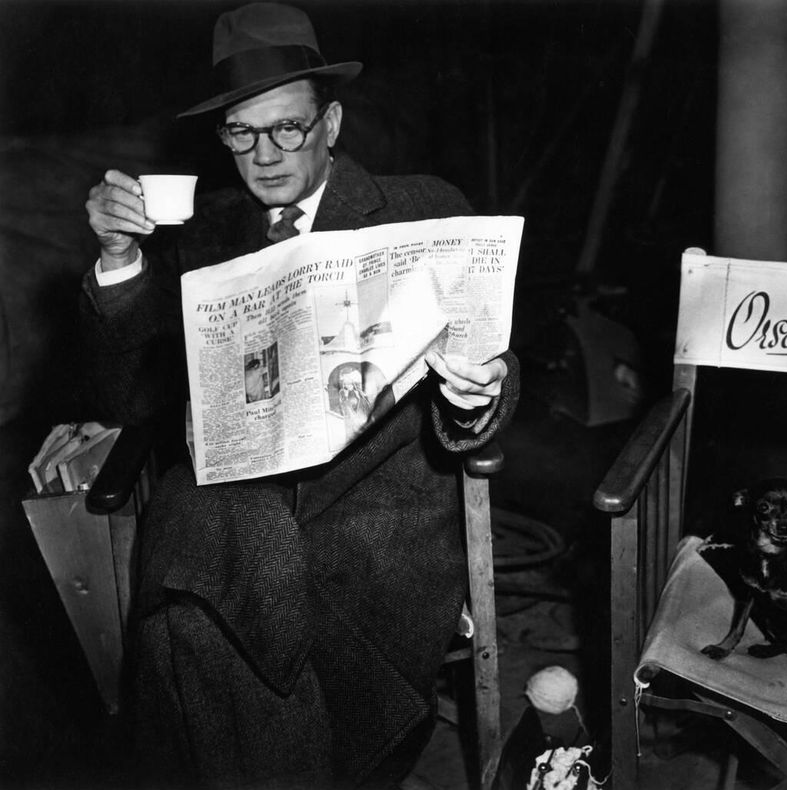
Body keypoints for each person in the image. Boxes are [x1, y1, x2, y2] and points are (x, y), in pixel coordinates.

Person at [78, 3, 519, 788]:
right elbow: (128, 400)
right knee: (206, 605)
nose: (266, 154)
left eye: (288, 128)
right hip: (228, 510)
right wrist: (119, 263)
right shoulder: (202, 235)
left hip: (372, 521)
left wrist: (477, 391)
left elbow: (492, 369)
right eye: (243, 133)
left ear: (332, 122)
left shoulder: (423, 210)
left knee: (206, 631)